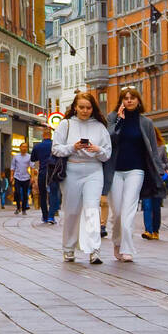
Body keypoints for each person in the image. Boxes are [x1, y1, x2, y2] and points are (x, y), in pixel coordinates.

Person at [103, 85, 168, 263]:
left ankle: (127, 248)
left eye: (132, 97)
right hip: (115, 170)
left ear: (138, 101)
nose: (129, 100)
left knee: (128, 211)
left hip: (136, 170)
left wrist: (159, 171)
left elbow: (153, 150)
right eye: (126, 98)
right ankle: (117, 242)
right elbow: (108, 139)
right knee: (116, 212)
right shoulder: (112, 118)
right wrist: (119, 121)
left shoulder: (146, 123)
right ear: (121, 101)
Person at [52, 91, 112, 265]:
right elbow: (56, 149)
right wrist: (73, 147)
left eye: (88, 107)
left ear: (93, 108)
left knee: (92, 209)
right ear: (75, 108)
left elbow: (107, 154)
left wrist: (97, 149)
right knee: (71, 211)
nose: (85, 111)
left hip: (94, 171)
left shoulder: (100, 127)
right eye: (82, 107)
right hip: (72, 169)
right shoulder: (66, 124)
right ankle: (68, 248)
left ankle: (94, 250)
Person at [140, 125, 168, 240]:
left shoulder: (161, 147)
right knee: (146, 205)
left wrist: (160, 167)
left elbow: (167, 164)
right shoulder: (142, 147)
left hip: (158, 179)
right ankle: (148, 230)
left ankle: (155, 230)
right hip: (146, 179)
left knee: (156, 206)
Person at [30, 127, 60, 224]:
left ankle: (45, 216)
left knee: (42, 194)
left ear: (43, 135)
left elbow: (33, 159)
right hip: (53, 172)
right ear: (51, 135)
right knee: (53, 193)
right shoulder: (54, 145)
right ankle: (51, 216)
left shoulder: (38, 146)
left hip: (42, 172)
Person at [11, 143, 32, 214]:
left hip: (26, 177)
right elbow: (13, 167)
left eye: (26, 147)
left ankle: (23, 209)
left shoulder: (29, 157)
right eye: (23, 147)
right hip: (17, 177)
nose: (24, 148)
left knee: (25, 194)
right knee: (17, 192)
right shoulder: (16, 157)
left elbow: (32, 167)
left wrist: (32, 177)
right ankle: (18, 207)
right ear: (20, 148)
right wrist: (11, 176)